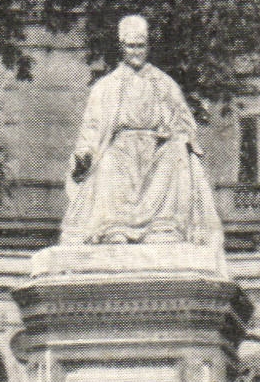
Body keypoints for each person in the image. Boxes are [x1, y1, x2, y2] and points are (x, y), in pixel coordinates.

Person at [59, 15, 223, 248]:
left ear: (148, 47)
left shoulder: (164, 84)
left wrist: (177, 134)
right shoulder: (107, 86)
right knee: (107, 162)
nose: (136, 52)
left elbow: (184, 123)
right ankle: (114, 228)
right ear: (122, 48)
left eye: (140, 46)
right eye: (130, 46)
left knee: (176, 153)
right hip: (120, 148)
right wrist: (84, 153)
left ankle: (163, 226)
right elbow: (92, 127)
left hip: (156, 148)